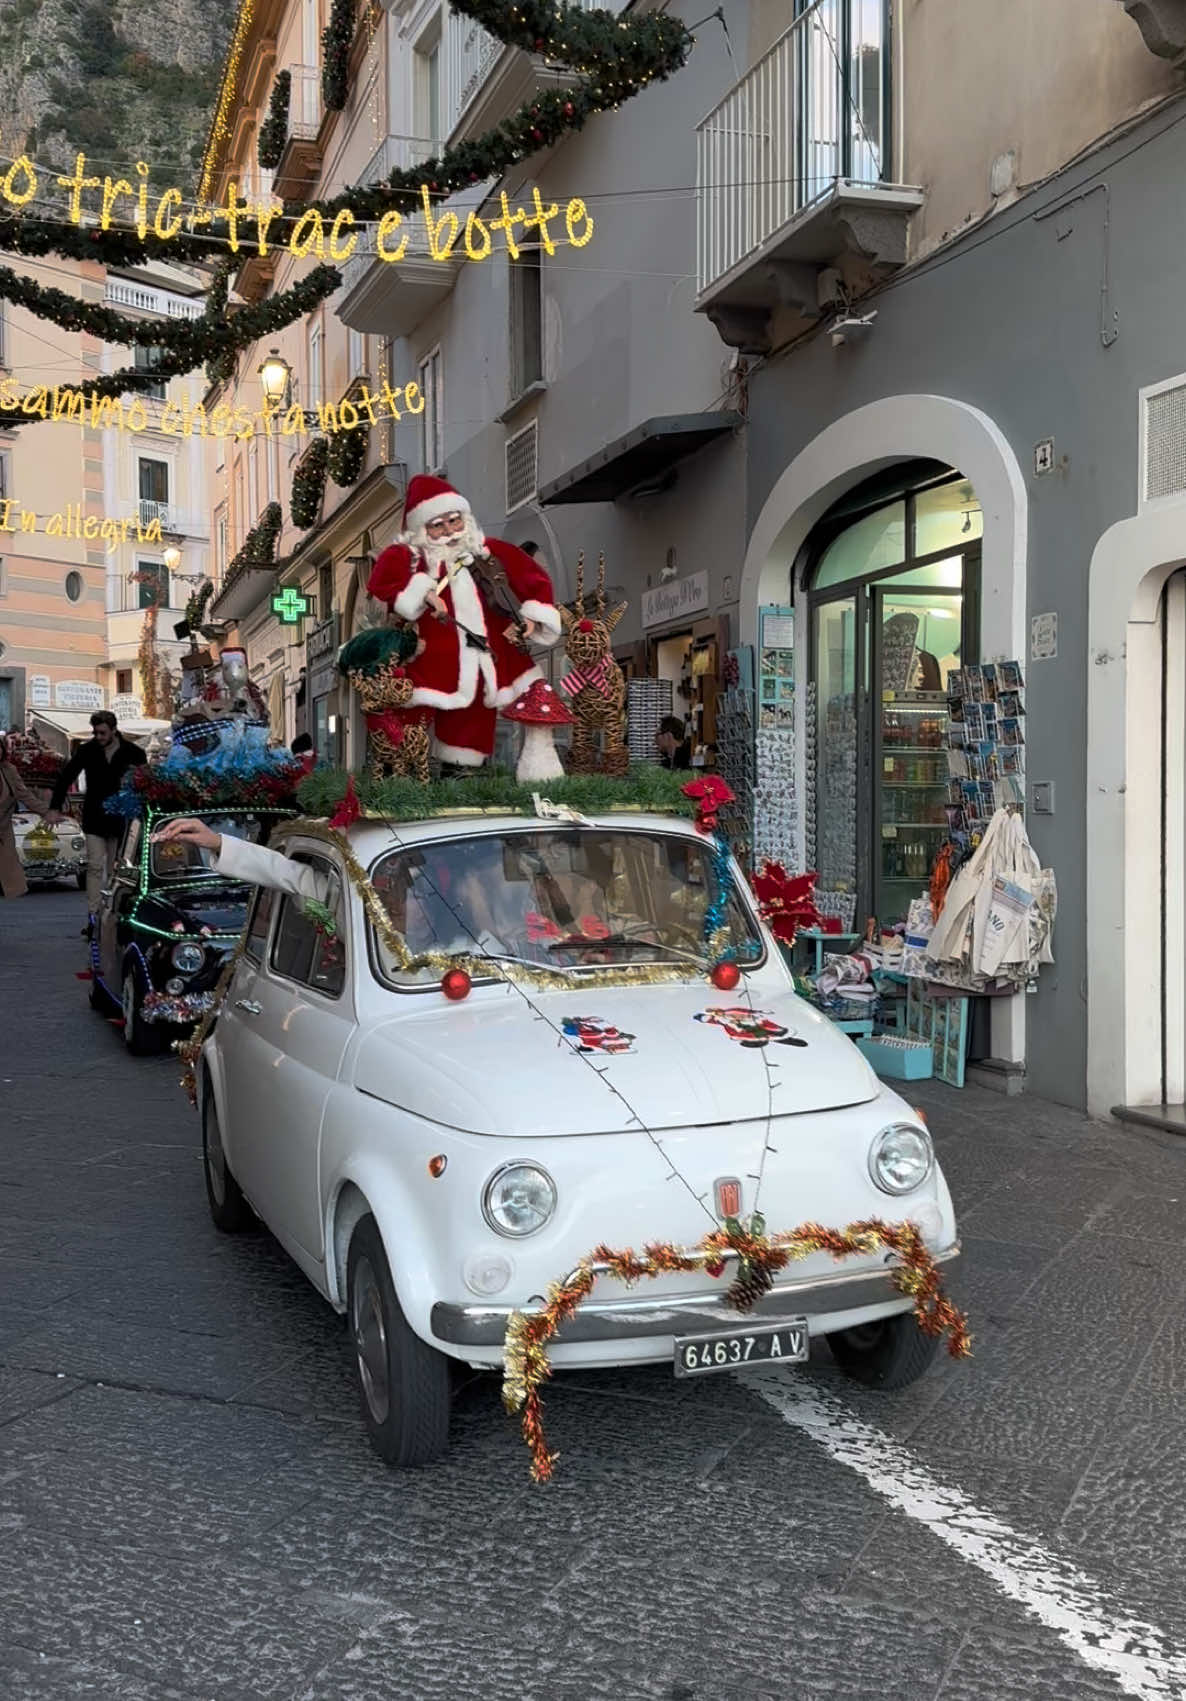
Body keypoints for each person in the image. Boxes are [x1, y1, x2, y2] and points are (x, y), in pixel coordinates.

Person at [366, 475, 562, 772]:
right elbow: (381, 582)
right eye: (438, 525)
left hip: (484, 662)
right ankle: (397, 778)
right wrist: (424, 591)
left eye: (454, 521)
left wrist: (531, 620)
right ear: (422, 528)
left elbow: (534, 580)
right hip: (426, 663)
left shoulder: (488, 552)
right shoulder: (410, 557)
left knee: (467, 740)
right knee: (406, 730)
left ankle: (462, 775)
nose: (449, 531)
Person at [46, 710, 147, 927]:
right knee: (93, 866)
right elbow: (66, 777)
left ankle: (111, 915)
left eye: (102, 732)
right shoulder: (87, 750)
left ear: (113, 730)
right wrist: (54, 807)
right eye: (95, 732)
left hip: (122, 819)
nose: (98, 737)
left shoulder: (134, 752)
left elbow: (144, 783)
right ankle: (93, 917)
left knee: (116, 870)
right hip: (95, 816)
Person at [0, 733, 51, 900]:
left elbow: (26, 796)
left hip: (3, 830)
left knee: (10, 879)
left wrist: (47, 811)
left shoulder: (9, 770)